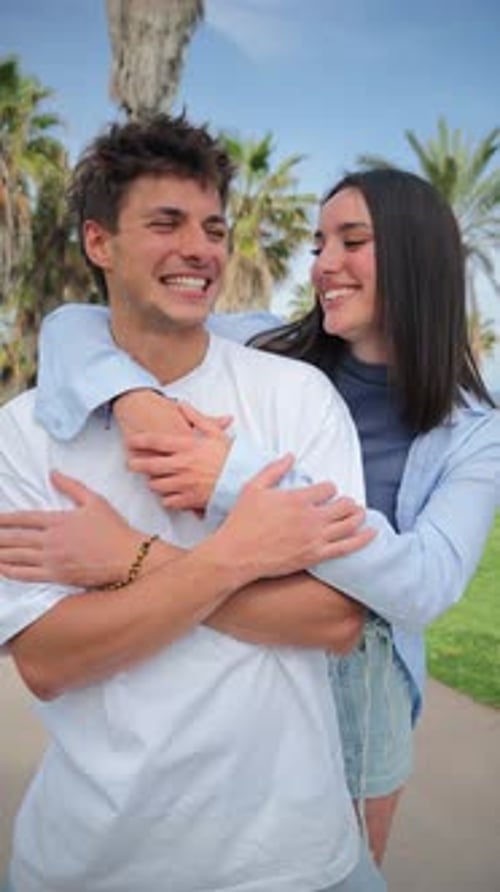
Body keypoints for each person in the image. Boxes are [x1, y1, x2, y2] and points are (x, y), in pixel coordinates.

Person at [9, 168, 499, 866]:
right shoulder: (265, 345)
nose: (324, 264)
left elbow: (427, 583)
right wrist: (132, 399)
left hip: (362, 667)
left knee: (342, 864)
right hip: (247, 630)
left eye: (352, 241)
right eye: (319, 243)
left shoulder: (475, 431)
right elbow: (78, 324)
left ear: (418, 256)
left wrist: (203, 501)